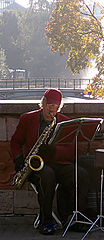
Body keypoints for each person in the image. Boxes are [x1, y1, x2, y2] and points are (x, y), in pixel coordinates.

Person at [10, 89, 89, 235]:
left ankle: (74, 218)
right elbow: (15, 142)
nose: (52, 109)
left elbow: (72, 150)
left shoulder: (65, 121)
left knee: (81, 175)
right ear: (43, 103)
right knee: (47, 175)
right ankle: (45, 221)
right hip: (36, 167)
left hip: (58, 163)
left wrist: (55, 151)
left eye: (56, 106)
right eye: (49, 105)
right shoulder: (27, 119)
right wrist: (18, 158)